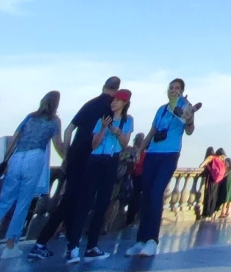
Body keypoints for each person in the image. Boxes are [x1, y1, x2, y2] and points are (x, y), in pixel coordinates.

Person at [30, 75, 121, 261]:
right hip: (91, 159)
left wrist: (67, 155)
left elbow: (68, 130)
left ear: (104, 86)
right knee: (75, 203)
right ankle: (45, 243)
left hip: (75, 157)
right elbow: (104, 137)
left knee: (70, 201)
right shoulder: (109, 108)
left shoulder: (89, 104)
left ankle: (66, 244)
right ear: (116, 90)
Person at [126, 79, 197, 258]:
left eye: (177, 88)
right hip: (152, 154)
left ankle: (152, 240)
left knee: (156, 193)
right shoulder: (162, 109)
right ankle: (140, 240)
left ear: (182, 91)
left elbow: (189, 130)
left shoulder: (185, 107)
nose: (173, 90)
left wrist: (189, 120)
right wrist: (140, 150)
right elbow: (151, 131)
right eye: (171, 88)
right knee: (146, 195)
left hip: (169, 154)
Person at [0, 92, 64, 254]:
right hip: (35, 158)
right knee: (23, 203)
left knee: (4, 201)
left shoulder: (30, 117)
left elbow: (14, 139)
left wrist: (6, 161)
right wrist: (67, 158)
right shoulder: (54, 121)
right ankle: (11, 244)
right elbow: (57, 143)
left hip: (17, 157)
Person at [75, 89, 134, 261]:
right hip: (95, 160)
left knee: (102, 204)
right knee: (86, 202)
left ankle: (92, 246)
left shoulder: (127, 121)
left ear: (125, 103)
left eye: (118, 100)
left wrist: (117, 133)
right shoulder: (103, 118)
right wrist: (102, 128)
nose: (114, 102)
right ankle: (73, 245)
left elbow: (124, 144)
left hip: (111, 160)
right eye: (113, 100)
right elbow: (94, 144)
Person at [218, 151, 231, 218]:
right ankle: (228, 211)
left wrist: (222, 176)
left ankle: (223, 212)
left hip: (228, 182)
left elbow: (225, 172)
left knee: (226, 196)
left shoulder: (226, 164)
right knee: (230, 196)